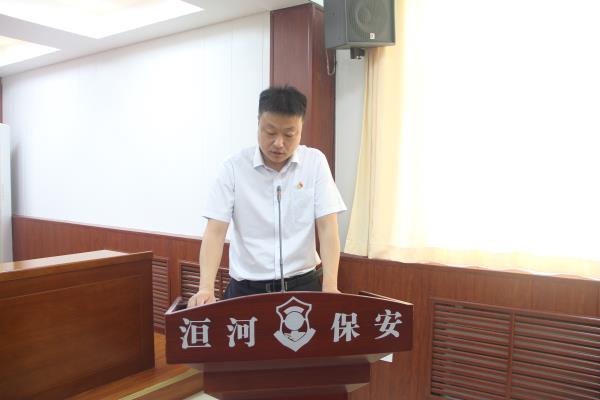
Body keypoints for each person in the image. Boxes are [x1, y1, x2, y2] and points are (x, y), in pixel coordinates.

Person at [187, 85, 346, 307]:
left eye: (289, 134)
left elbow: (328, 227)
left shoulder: (314, 163)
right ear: (258, 124)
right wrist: (205, 287)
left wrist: (330, 285)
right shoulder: (234, 168)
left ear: (300, 129)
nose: (279, 143)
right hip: (247, 290)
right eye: (270, 132)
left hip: (303, 285)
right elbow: (215, 231)